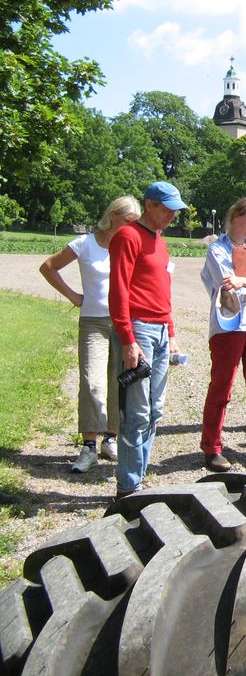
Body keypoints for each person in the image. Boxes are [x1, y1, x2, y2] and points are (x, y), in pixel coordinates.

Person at [40, 195, 141, 473]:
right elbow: (48, 267)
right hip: (93, 322)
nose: (132, 227)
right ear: (112, 217)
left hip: (125, 323)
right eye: (127, 221)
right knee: (92, 382)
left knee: (119, 382)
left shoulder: (132, 244)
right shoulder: (85, 244)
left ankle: (111, 439)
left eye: (135, 222)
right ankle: (88, 446)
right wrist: (73, 295)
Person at [108, 181, 185, 498]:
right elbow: (119, 290)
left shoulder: (160, 241)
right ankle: (127, 486)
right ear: (149, 205)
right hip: (138, 329)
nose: (170, 215)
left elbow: (162, 293)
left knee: (155, 410)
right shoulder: (128, 236)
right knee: (136, 412)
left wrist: (172, 333)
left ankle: (138, 476)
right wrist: (127, 339)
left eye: (174, 211)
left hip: (160, 331)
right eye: (165, 209)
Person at [199, 198, 246, 472]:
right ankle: (212, 447)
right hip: (229, 326)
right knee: (222, 388)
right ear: (235, 216)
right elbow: (229, 291)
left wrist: (245, 282)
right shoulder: (217, 250)